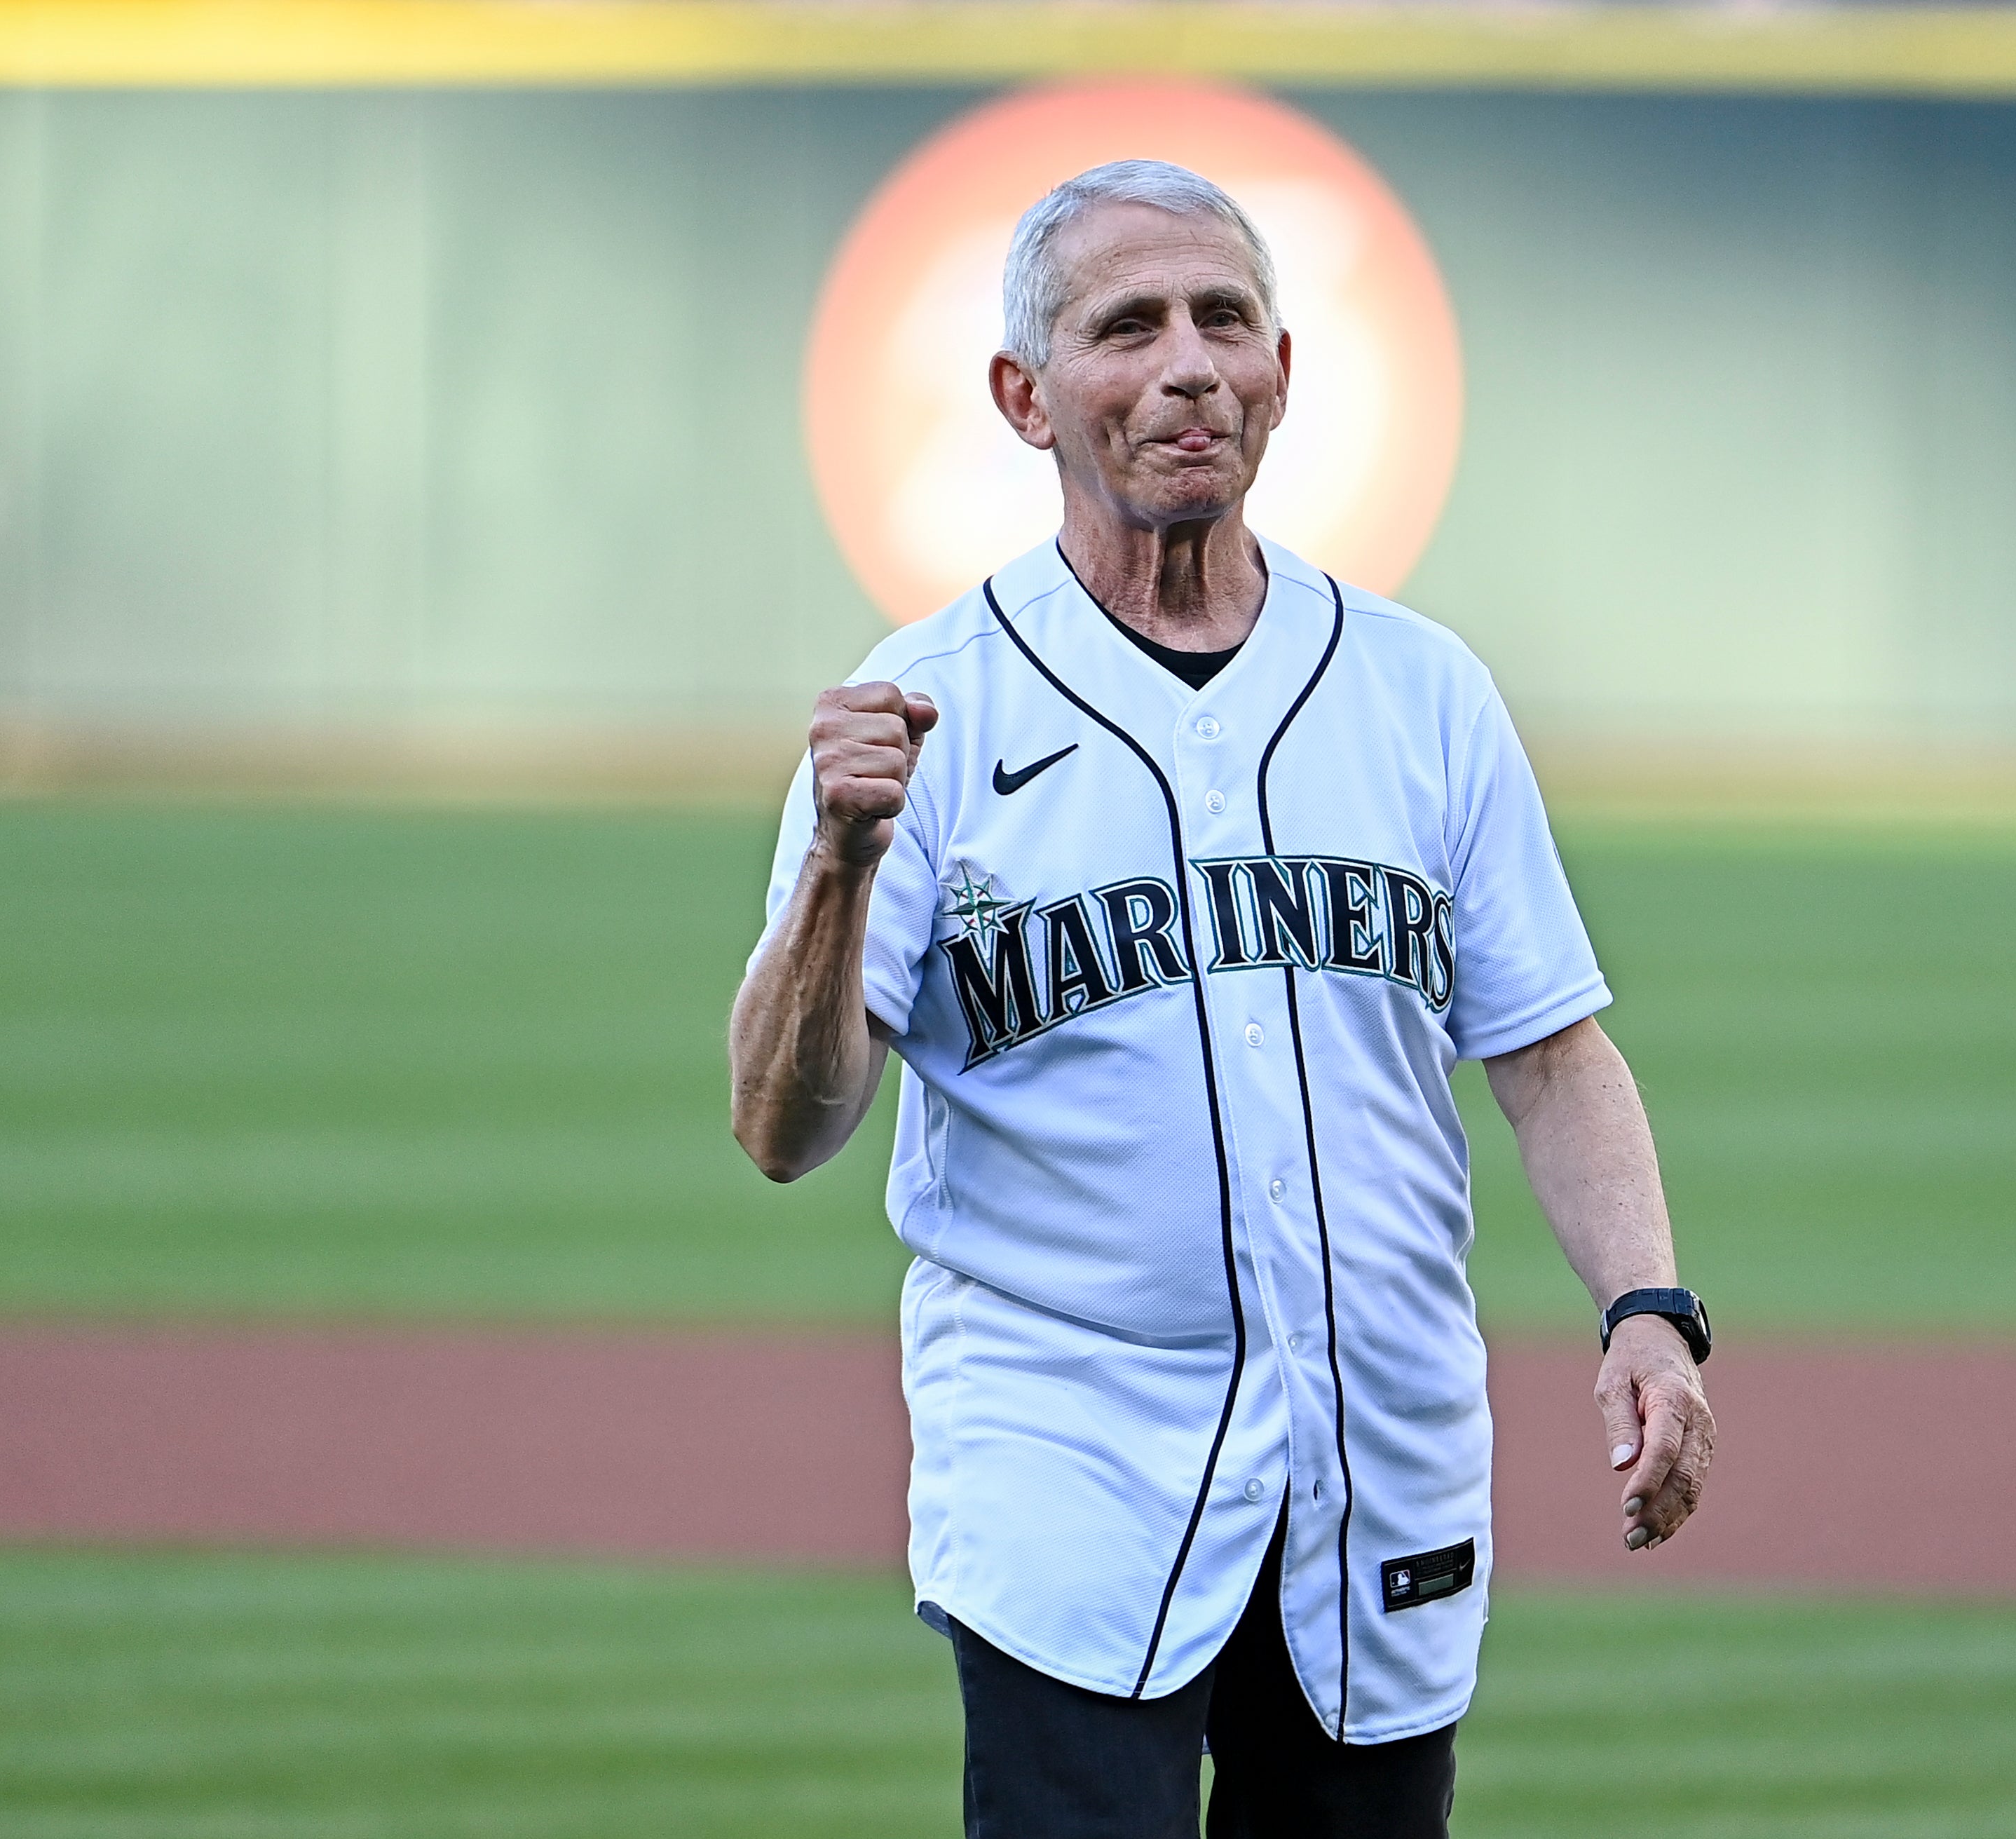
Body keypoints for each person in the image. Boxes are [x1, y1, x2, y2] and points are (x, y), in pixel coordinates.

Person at [730, 158, 1714, 1839]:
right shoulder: (929, 712)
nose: (1188, 363)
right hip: (1065, 1465)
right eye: (1129, 326)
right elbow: (784, 1126)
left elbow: (1550, 1052)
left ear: (1281, 372)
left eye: (1224, 319)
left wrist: (1647, 1305)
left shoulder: (1417, 690)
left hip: (1374, 1447)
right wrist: (837, 867)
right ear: (1023, 399)